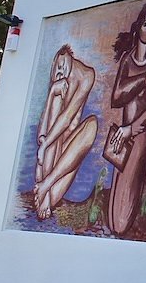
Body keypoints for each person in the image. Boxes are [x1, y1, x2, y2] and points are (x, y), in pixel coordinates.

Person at [105, 1, 146, 236]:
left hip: (141, 135)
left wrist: (131, 129)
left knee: (122, 219)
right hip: (122, 136)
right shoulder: (128, 59)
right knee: (114, 209)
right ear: (138, 25)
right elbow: (116, 97)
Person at [34, 45, 99, 220]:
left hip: (65, 161)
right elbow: (42, 134)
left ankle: (46, 186)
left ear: (69, 57)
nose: (60, 71)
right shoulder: (58, 82)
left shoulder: (86, 75)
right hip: (47, 159)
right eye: (57, 69)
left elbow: (68, 117)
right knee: (56, 101)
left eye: (62, 66)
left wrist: (45, 145)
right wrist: (51, 95)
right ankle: (45, 192)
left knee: (92, 125)